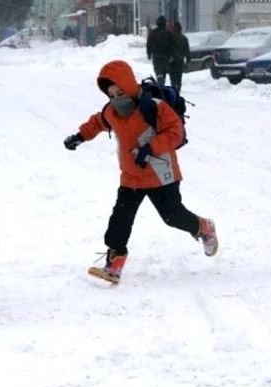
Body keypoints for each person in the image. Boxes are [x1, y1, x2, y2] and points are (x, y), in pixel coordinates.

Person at [62, 60, 219, 284]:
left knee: (173, 216)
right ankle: (114, 262)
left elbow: (175, 132)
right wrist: (79, 137)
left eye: (120, 92)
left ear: (129, 86)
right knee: (120, 220)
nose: (117, 98)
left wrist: (150, 148)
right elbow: (97, 123)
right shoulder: (111, 112)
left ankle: (203, 227)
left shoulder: (154, 107)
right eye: (112, 95)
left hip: (160, 174)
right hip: (131, 177)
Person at [146, 16, 174, 86]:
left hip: (156, 55)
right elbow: (172, 45)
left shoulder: (153, 33)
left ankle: (160, 79)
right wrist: (171, 55)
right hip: (165, 55)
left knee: (158, 69)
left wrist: (149, 54)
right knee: (164, 69)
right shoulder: (168, 33)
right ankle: (162, 81)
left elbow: (149, 44)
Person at [169, 22, 191, 93]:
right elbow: (187, 50)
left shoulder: (170, 37)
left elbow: (167, 48)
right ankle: (178, 86)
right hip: (180, 59)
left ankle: (173, 85)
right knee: (179, 74)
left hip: (171, 59)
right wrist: (188, 60)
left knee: (172, 73)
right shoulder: (184, 38)